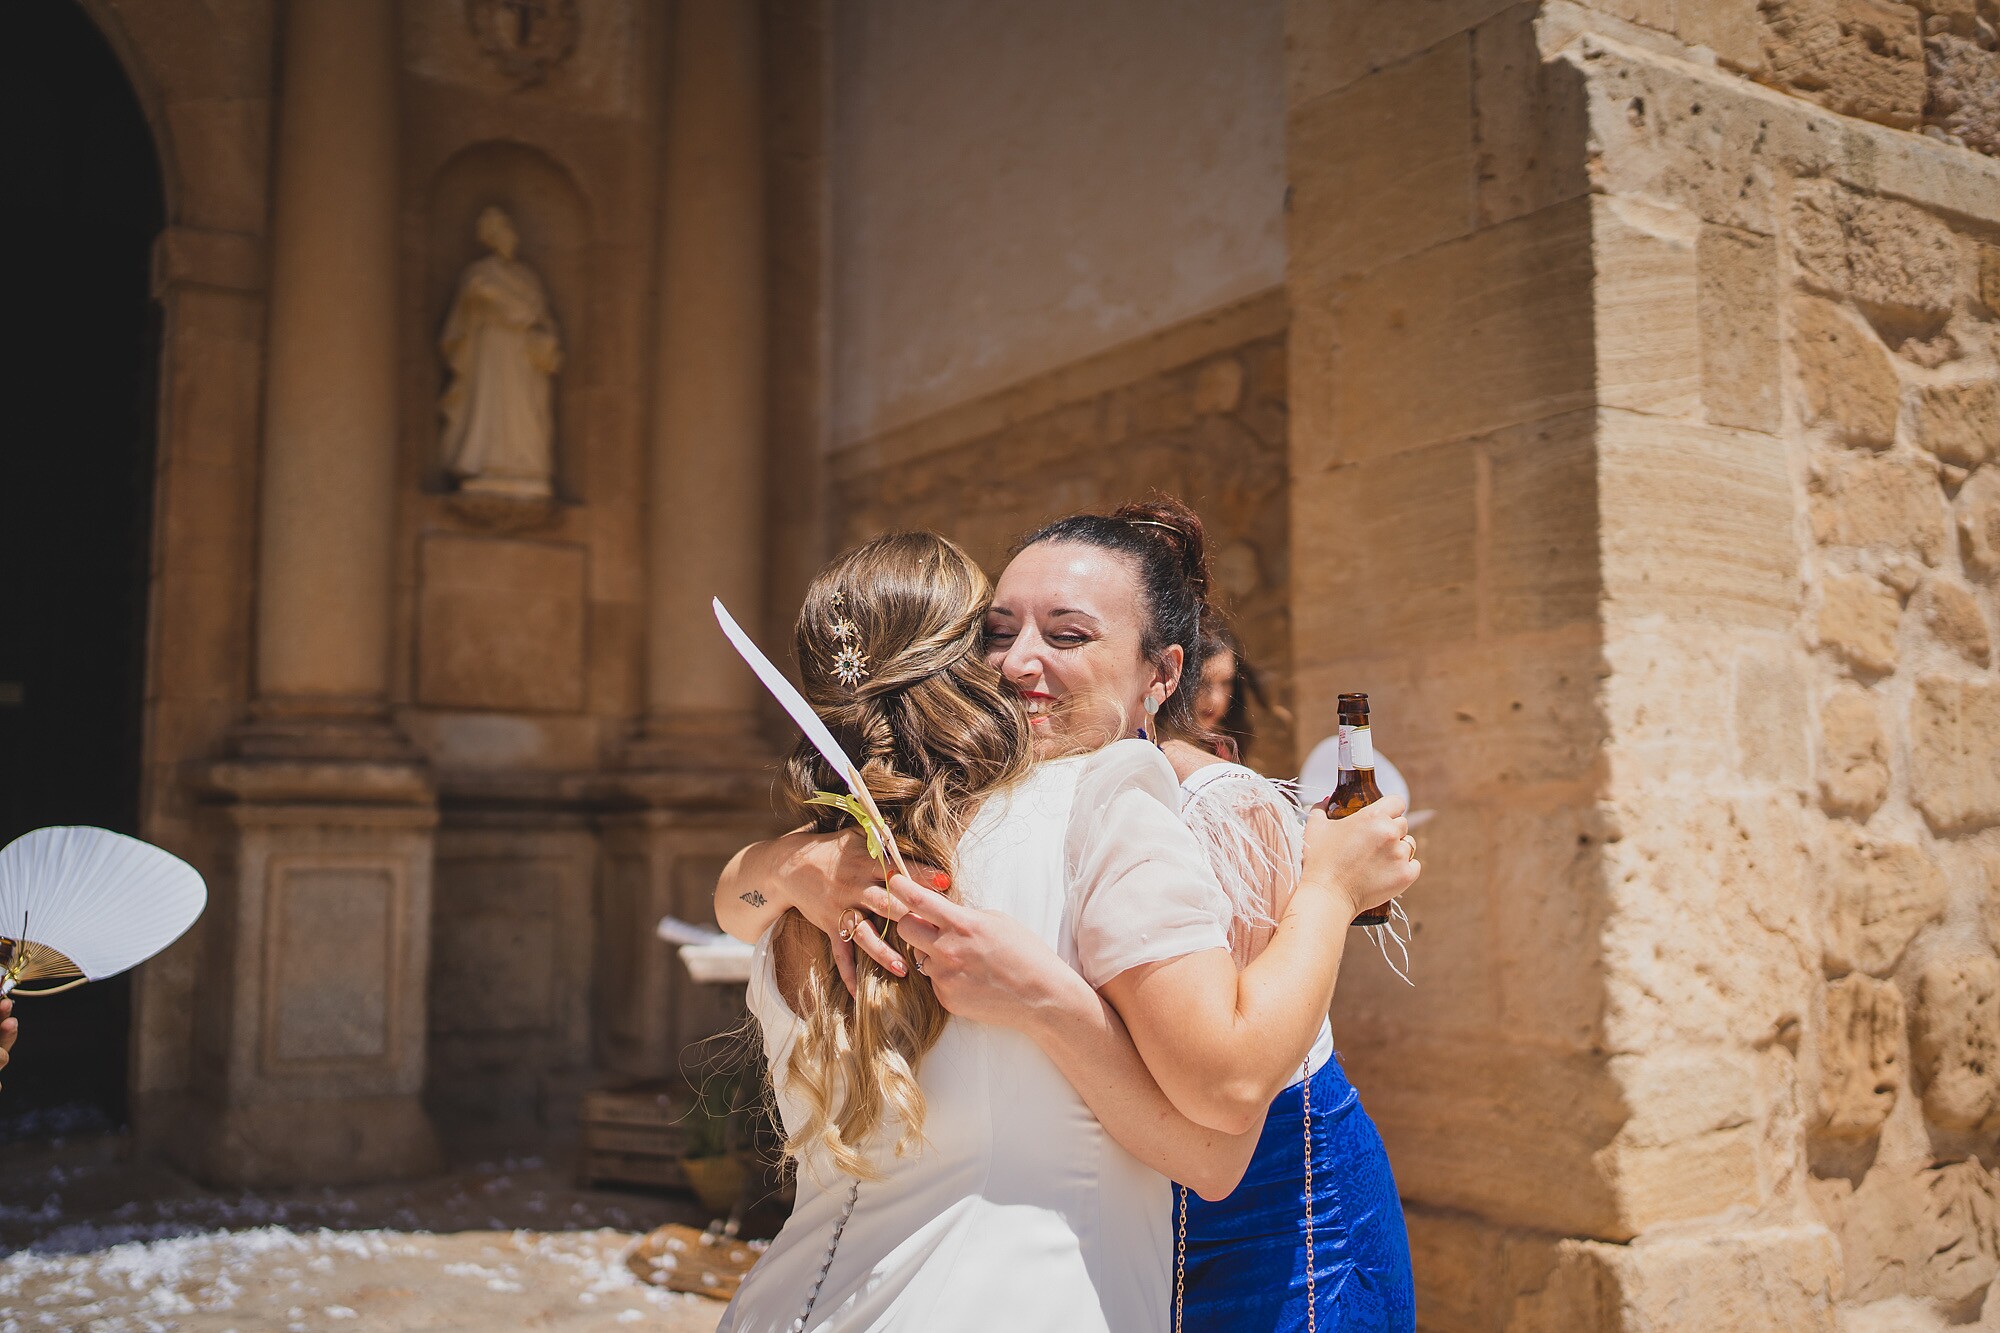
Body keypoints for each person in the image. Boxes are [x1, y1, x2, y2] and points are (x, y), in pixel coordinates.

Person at [719, 498, 1418, 1331]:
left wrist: (1330, 888)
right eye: (997, 631)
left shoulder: (1207, 803)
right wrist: (793, 863)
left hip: (1272, 1231)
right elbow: (736, 898)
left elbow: (1230, 1082)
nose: (1019, 663)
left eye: (1068, 635)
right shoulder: (899, 831)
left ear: (1161, 673)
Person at [1190, 620, 1287, 766]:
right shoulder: (1154, 749)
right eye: (1202, 682)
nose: (1214, 699)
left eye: (1226, 682)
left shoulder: (1221, 749)